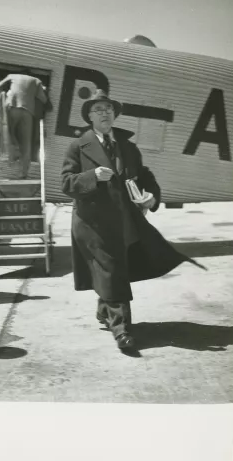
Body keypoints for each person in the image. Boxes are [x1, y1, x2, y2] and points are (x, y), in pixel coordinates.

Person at [61, 89, 203, 353]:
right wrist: (92, 176)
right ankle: (122, 330)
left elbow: (145, 176)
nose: (105, 113)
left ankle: (105, 310)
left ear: (113, 114)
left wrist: (151, 196)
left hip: (125, 223)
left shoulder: (127, 147)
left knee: (113, 272)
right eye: (99, 109)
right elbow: (66, 184)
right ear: (90, 116)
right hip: (93, 225)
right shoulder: (78, 146)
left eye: (108, 109)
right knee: (113, 271)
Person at [0, 74, 49, 178]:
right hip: (27, 113)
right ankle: (23, 173)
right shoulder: (37, 81)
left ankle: (8, 164)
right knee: (26, 144)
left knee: (7, 137)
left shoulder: (12, 76)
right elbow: (43, 99)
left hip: (12, 108)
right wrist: (43, 89)